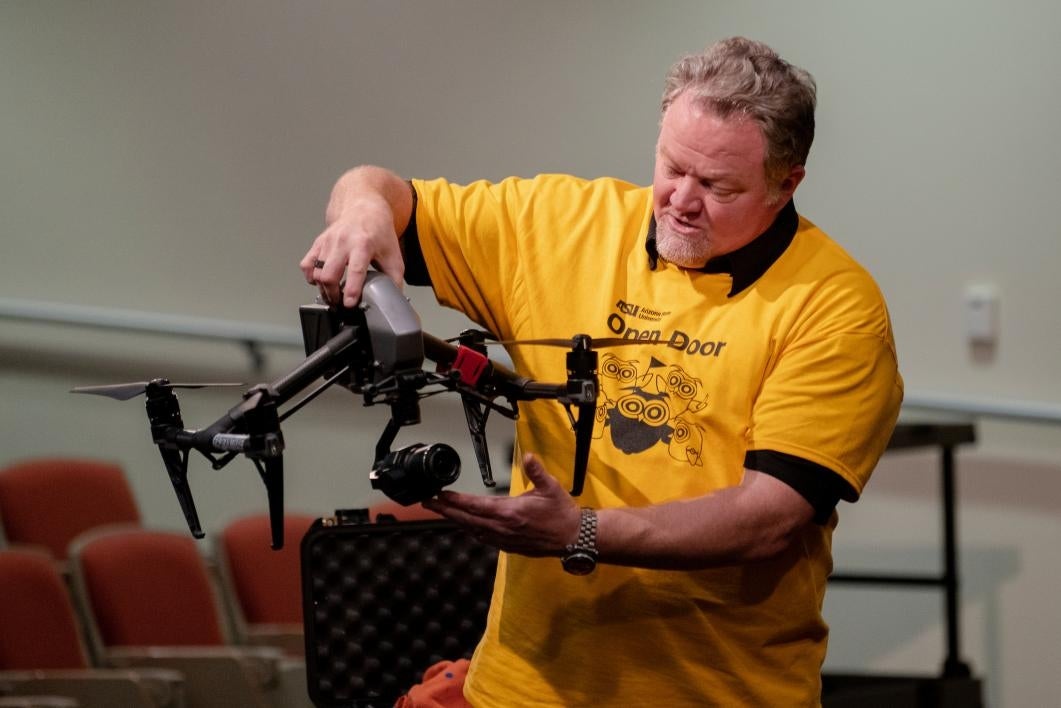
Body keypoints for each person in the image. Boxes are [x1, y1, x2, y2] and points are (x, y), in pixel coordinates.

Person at [302, 36, 903, 707]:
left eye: (717, 185)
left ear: (785, 182)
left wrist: (581, 532)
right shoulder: (564, 224)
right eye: (671, 167)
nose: (680, 199)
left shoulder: (836, 307)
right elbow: (381, 189)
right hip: (522, 689)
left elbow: (768, 519)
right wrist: (360, 215)